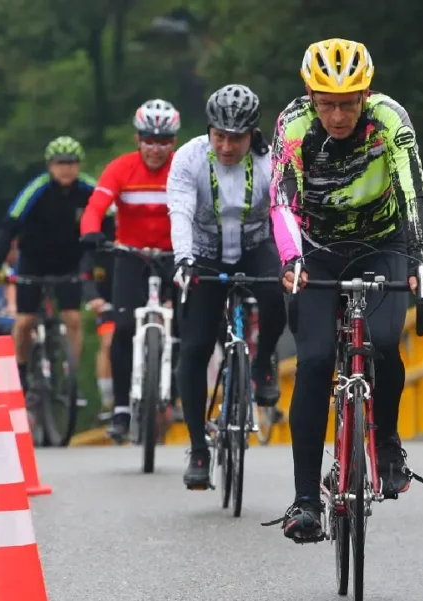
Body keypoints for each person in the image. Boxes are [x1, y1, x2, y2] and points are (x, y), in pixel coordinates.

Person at [268, 38, 423, 542]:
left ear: (365, 95)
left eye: (348, 103)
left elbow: (412, 188)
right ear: (310, 97)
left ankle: (385, 443)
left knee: (384, 343)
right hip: (317, 247)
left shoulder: (389, 119)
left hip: (382, 241)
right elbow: (280, 200)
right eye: (327, 103)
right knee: (315, 362)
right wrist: (291, 259)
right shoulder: (293, 126)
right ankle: (303, 501)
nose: (338, 115)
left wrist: (421, 257)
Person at [167, 84, 287, 489]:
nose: (226, 145)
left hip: (256, 243)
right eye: (219, 135)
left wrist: (292, 260)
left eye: (236, 137)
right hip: (204, 249)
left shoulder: (273, 162)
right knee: (196, 345)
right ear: (209, 130)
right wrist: (183, 259)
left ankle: (262, 362)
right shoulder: (189, 158)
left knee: (275, 296)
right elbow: (180, 210)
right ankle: (199, 446)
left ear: (253, 134)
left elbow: (286, 213)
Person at [80, 99, 181, 442]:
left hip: (174, 257)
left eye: (164, 141)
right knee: (122, 329)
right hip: (130, 257)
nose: (156, 148)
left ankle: (177, 393)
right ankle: (122, 409)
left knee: (188, 323)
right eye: (149, 140)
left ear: (174, 142)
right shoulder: (121, 168)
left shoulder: (181, 169)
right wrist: (91, 232)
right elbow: (96, 206)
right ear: (138, 140)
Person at [0, 136, 96, 388]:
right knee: (25, 321)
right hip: (33, 262)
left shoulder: (88, 189)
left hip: (68, 261)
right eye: (60, 163)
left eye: (71, 163)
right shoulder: (36, 189)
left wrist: (98, 262)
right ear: (50, 166)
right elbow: (10, 226)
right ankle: (21, 369)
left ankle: (70, 376)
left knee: (73, 319)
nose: (66, 169)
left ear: (79, 165)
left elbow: (110, 219)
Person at [83, 204, 119, 420]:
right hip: (108, 304)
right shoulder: (98, 242)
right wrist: (94, 298)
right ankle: (108, 399)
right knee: (108, 344)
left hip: (140, 301)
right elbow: (85, 274)